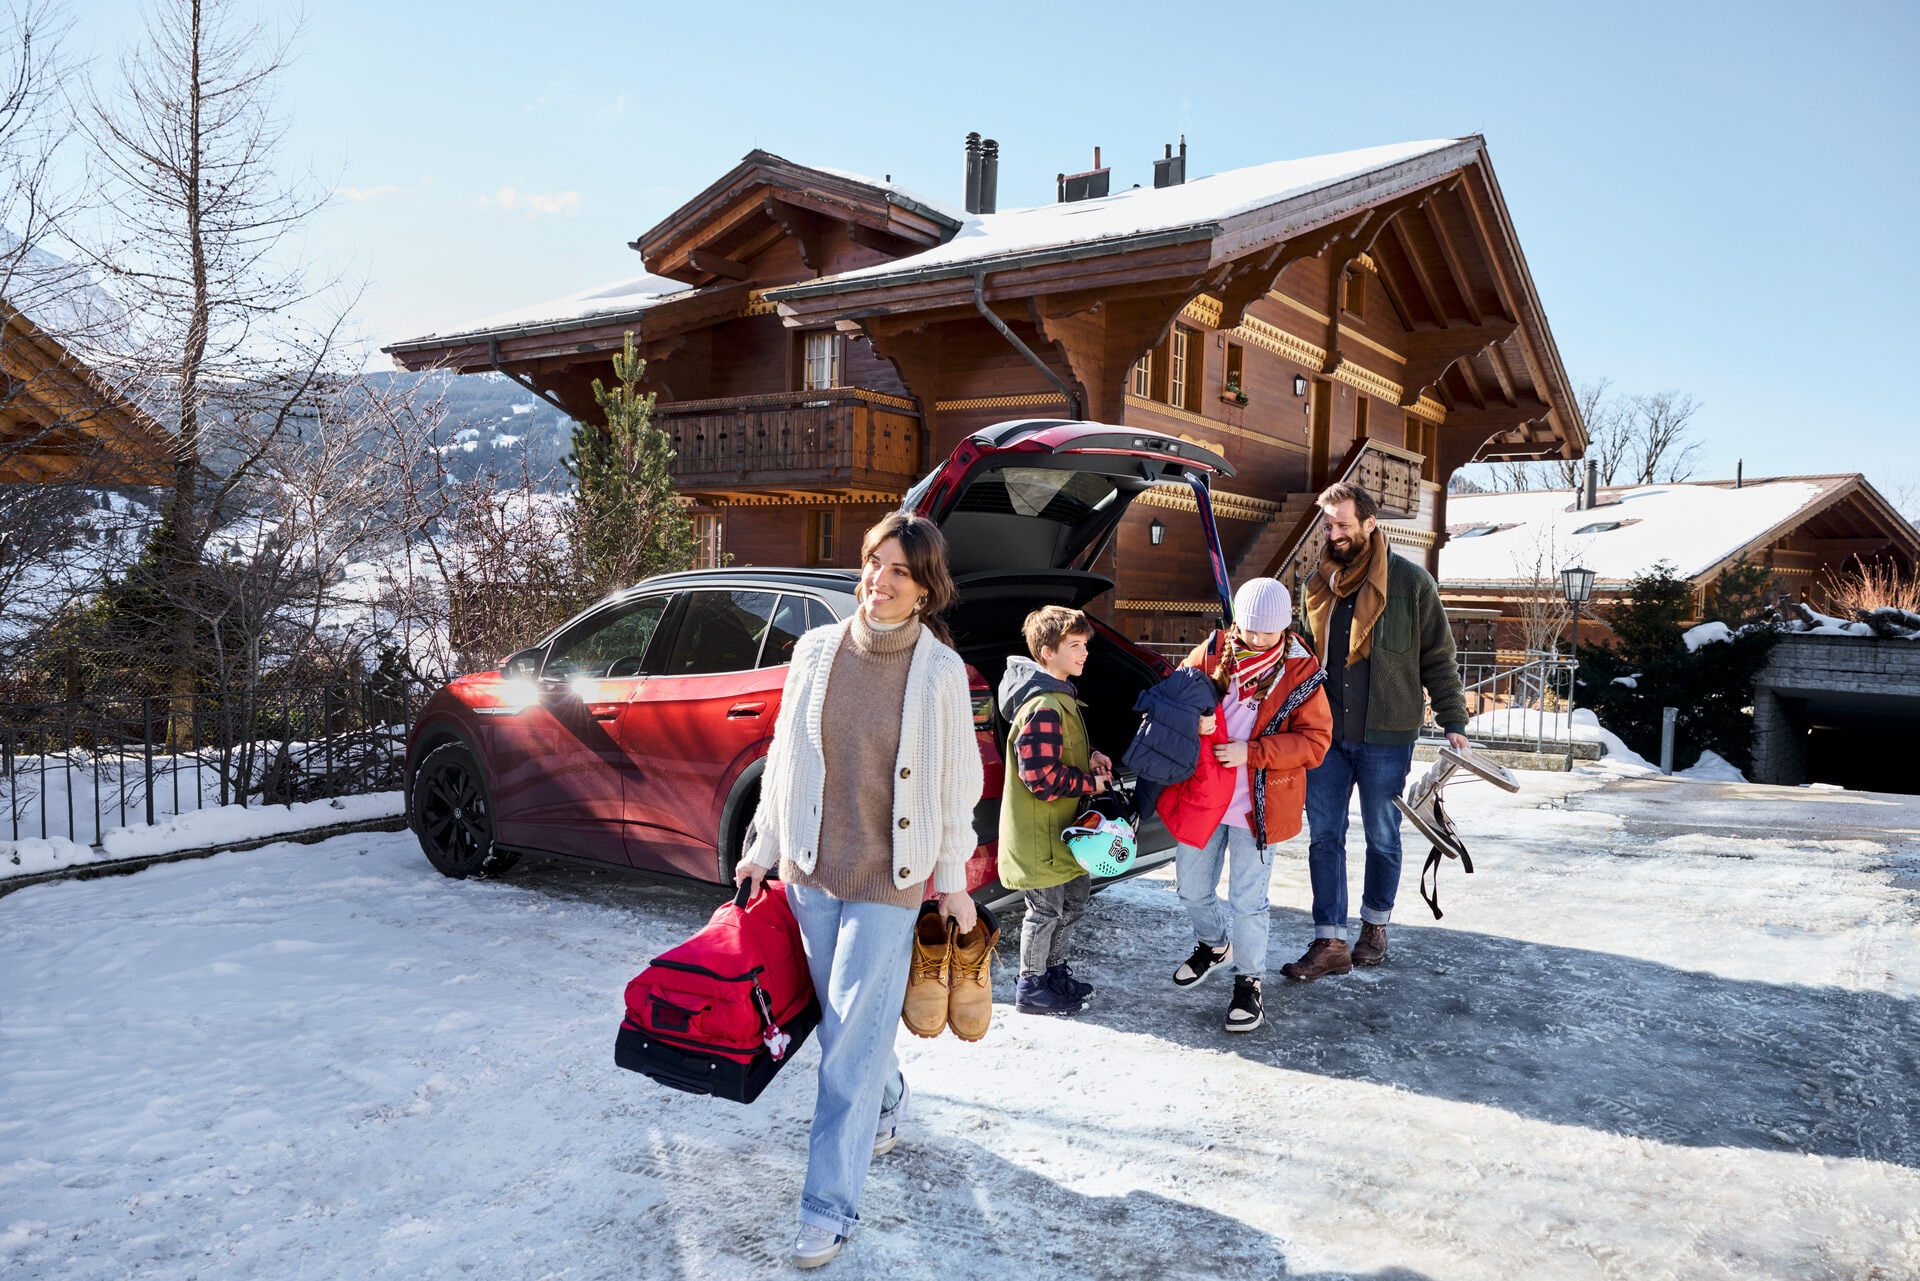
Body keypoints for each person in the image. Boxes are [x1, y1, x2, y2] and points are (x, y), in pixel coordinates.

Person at [734, 512, 984, 1270]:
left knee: (844, 1051)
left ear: (925, 588)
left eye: (899, 572)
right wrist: (763, 848)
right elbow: (784, 760)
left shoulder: (939, 672)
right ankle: (888, 1093)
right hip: (811, 872)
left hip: (889, 880)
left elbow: (954, 787)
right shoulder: (815, 650)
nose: (880, 580)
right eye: (875, 563)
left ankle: (826, 1208)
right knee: (848, 1029)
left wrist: (953, 882)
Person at [1282, 481, 1470, 982]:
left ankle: (1374, 926)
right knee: (1325, 836)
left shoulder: (1410, 583)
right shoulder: (1317, 583)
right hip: (1323, 734)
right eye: (1328, 525)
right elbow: (1302, 649)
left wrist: (1454, 720)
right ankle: (1328, 941)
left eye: (1343, 524)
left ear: (1369, 523)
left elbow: (1438, 656)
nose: (1334, 534)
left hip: (1386, 735)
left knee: (1383, 836)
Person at [1159, 578, 1331, 1032]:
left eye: (1267, 632)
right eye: (1249, 629)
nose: (1256, 639)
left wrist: (1251, 752)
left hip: (1259, 804)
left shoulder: (1300, 671)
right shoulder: (1213, 651)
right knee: (1191, 888)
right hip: (1204, 795)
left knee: (1247, 902)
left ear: (1285, 627)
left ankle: (1248, 982)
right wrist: (1189, 719)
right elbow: (1174, 695)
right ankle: (1213, 944)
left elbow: (1316, 742)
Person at [996, 605, 1111, 1016]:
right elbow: (1040, 777)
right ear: (1047, 652)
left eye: (1085, 645)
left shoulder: (1061, 698)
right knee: (1045, 911)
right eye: (1074, 645)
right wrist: (1089, 784)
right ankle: (1031, 985)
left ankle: (1053, 971)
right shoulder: (1043, 705)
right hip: (1040, 833)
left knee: (1074, 903)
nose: (1084, 653)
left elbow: (1060, 752)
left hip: (1063, 830)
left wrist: (1091, 755)